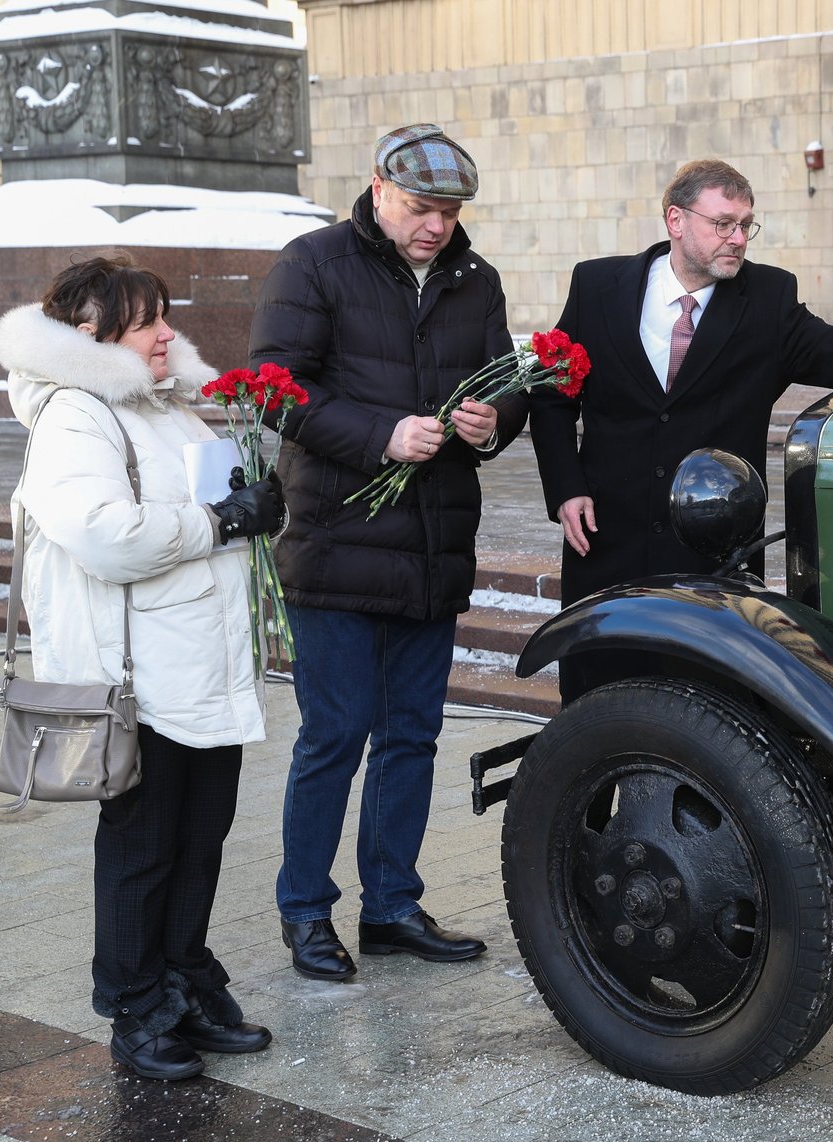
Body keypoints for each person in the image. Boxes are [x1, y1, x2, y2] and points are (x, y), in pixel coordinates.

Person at [0, 255, 282, 1081]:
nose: (167, 333)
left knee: (201, 841)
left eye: (165, 316)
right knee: (143, 850)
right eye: (147, 321)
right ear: (91, 334)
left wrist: (253, 505)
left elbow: (209, 505)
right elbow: (101, 533)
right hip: (139, 680)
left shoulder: (166, 405)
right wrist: (219, 519)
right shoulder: (76, 415)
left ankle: (184, 980)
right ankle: (134, 1005)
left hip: (200, 665)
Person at [250, 123, 523, 981]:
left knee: (412, 735)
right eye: (420, 207)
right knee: (334, 734)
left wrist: (492, 424)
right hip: (335, 544)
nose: (436, 225)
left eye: (448, 211)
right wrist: (379, 436)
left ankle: (392, 906)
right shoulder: (313, 262)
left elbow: (506, 386)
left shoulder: (477, 281)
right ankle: (305, 912)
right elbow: (273, 387)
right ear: (377, 187)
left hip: (434, 546)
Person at [530, 158, 833, 698]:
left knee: (709, 726)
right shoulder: (597, 285)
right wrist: (566, 488)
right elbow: (551, 393)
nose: (738, 238)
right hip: (606, 549)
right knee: (598, 717)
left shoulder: (767, 300)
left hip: (712, 563)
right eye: (722, 224)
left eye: (746, 224)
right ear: (676, 220)